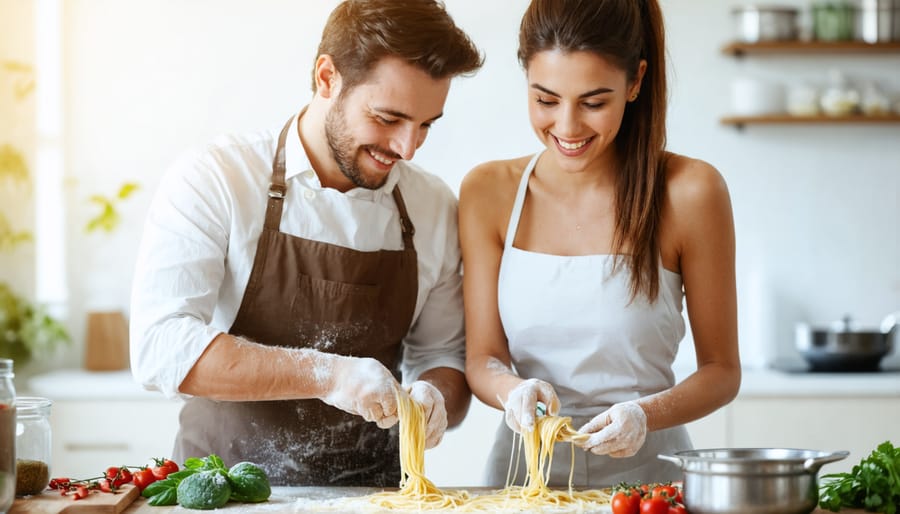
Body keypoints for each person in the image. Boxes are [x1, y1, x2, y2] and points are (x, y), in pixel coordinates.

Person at [129, 0, 482, 487]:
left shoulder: (431, 205)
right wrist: (327, 374)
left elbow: (445, 358)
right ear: (326, 77)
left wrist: (435, 396)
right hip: (227, 493)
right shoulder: (217, 178)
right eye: (387, 118)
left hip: (374, 497)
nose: (406, 147)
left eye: (425, 124)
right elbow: (160, 346)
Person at [460, 0, 740, 487]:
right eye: (546, 100)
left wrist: (644, 414)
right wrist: (513, 391)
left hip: (651, 481)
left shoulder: (691, 192)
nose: (567, 128)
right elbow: (483, 357)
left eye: (593, 102)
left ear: (635, 82)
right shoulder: (488, 192)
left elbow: (721, 370)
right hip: (523, 479)